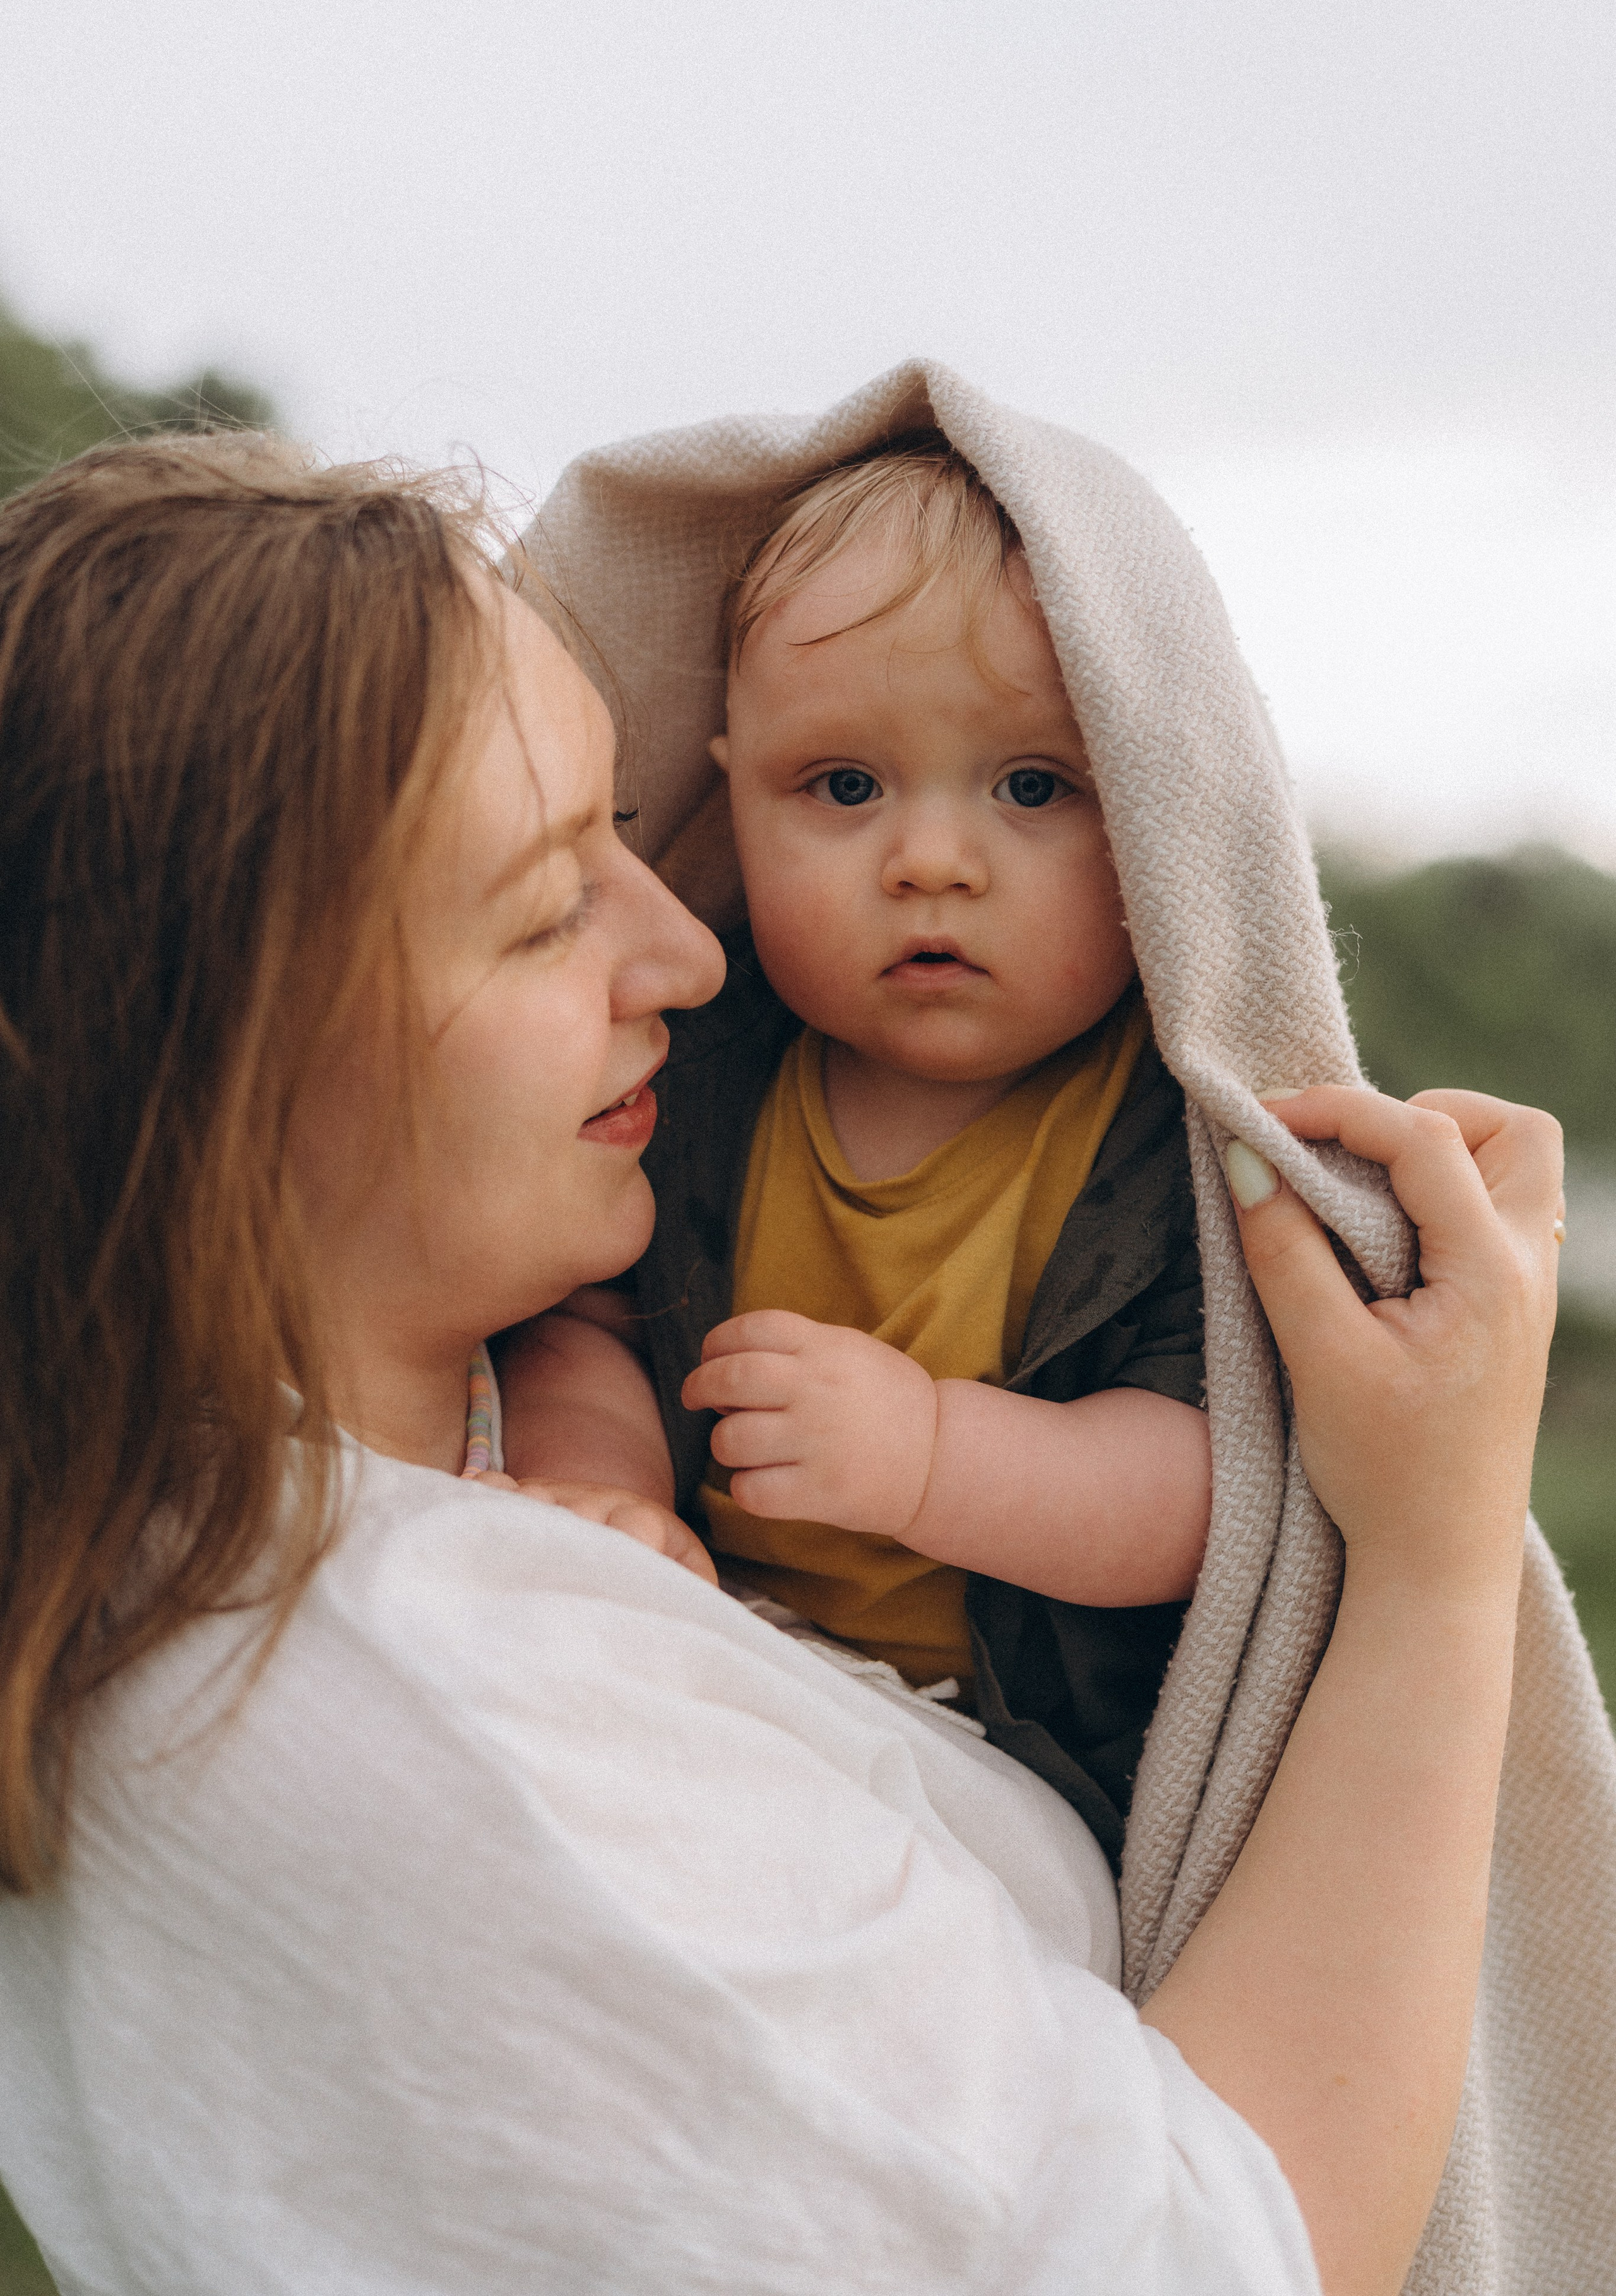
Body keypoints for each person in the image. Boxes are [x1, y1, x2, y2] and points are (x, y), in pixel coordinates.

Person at [0, 427, 1591, 2296]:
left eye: (626, 831)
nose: (688, 945)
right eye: (544, 901)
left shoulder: (345, 1488)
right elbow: (1226, 2254)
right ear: (227, 1058)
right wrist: (1429, 1552)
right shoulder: (433, 1721)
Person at [498, 437, 1213, 1765]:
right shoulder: (692, 1068)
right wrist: (604, 1490)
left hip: (1013, 1746)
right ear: (733, 795)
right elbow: (582, 1325)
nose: (929, 861)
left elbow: (1205, 1495)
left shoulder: (1170, 1132)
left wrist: (930, 1457)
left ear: (1159, 816)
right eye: (841, 787)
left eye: (1031, 787)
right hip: (726, 1663)